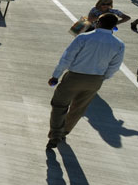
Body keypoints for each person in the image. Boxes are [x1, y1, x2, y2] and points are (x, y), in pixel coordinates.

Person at [46, 13, 124, 148]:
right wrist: (103, 77)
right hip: (95, 80)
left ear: (98, 23)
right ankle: (64, 132)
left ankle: (56, 134)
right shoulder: (119, 44)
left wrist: (56, 76)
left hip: (74, 77)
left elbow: (67, 57)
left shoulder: (84, 37)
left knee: (59, 105)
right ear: (114, 26)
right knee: (78, 108)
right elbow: (114, 66)